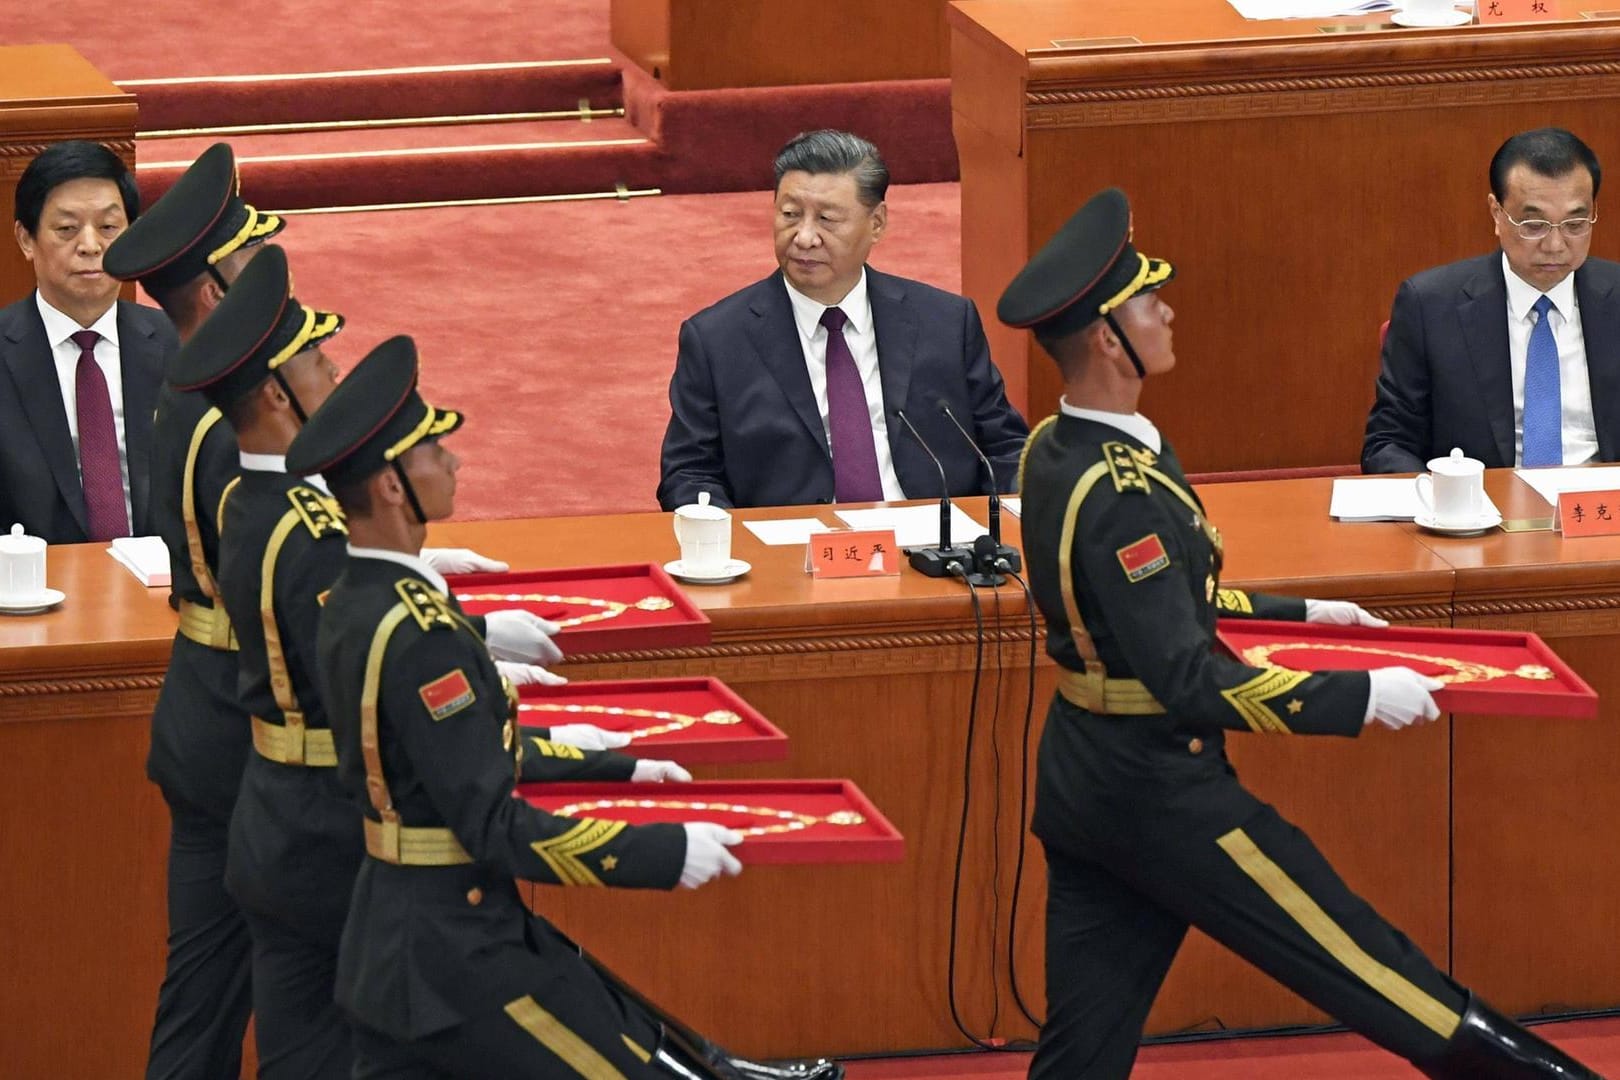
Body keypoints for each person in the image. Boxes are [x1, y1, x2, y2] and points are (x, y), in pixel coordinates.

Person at [1002, 187, 1599, 1078]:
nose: (1166, 312)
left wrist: (1302, 615)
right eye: (1146, 302)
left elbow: (1166, 608)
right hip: (1162, 789)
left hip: (1086, 774)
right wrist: (1357, 695)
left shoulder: (1062, 445)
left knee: (1083, 1052)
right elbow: (1185, 675)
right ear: (1105, 339)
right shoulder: (1122, 492)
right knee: (1383, 977)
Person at [290, 336, 842, 1079]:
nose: (452, 464)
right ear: (391, 486)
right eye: (432, 453)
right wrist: (659, 852)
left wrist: (615, 763)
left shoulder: (366, 599)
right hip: (452, 958)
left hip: (409, 936)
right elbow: (489, 819)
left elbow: (464, 756)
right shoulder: (419, 632)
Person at [169, 246, 655, 1077]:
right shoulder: (309, 528)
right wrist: (500, 688)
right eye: (318, 361)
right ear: (281, 395)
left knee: (301, 1045)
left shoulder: (257, 503)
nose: (332, 372)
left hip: (273, 811)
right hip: (323, 824)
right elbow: (362, 678)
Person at [102, 141, 282, 1080]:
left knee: (204, 992)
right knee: (280, 995)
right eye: (254, 261)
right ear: (216, 292)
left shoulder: (187, 391)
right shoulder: (231, 415)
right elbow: (280, 588)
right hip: (248, 725)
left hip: (202, 712)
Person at [658, 129, 1028, 510]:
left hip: (933, 541)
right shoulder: (717, 339)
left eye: (827, 219)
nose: (803, 237)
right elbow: (689, 473)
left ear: (877, 223)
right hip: (789, 550)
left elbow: (1003, 447)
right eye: (789, 215)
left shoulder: (946, 321)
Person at [1363, 127, 1620, 473]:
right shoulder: (1430, 306)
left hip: (1600, 514)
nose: (1555, 245)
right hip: (1482, 513)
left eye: (1575, 224)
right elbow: (1388, 443)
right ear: (1497, 213)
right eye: (1534, 224)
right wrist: (1448, 499)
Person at [0, 139, 173, 542]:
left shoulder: (177, 345)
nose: (91, 246)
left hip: (159, 589)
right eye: (66, 229)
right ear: (26, 239)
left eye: (109, 228)